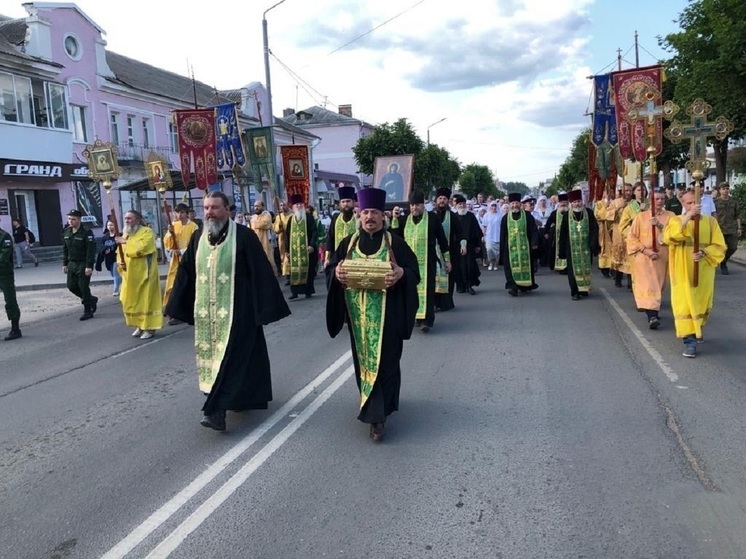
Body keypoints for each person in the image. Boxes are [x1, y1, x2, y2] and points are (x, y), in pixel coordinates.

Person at [166, 191, 291, 431]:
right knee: (215, 360)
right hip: (207, 314)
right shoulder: (198, 237)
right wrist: (176, 304)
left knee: (229, 360)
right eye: (206, 208)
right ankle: (236, 399)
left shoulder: (243, 236)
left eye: (214, 207)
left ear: (227, 210)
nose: (209, 212)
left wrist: (263, 308)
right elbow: (187, 273)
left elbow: (260, 272)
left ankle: (215, 411)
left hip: (238, 312)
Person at [325, 187, 419, 441]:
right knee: (363, 363)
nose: (370, 217)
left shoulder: (395, 243)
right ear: (359, 213)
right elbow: (332, 267)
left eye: (375, 212)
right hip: (358, 320)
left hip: (388, 317)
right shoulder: (348, 243)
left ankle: (382, 413)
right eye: (365, 212)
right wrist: (336, 273)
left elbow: (413, 271)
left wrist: (401, 274)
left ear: (383, 215)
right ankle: (372, 411)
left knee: (387, 363)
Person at [662, 190, 726, 358]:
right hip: (682, 270)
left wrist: (704, 252)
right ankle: (689, 341)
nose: (693, 206)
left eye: (695, 203)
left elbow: (720, 246)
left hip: (703, 270)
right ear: (683, 204)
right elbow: (669, 238)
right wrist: (687, 218)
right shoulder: (676, 221)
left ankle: (698, 328)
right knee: (684, 305)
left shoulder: (711, 222)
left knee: (702, 304)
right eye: (688, 203)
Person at [391, 190, 450, 332]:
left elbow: (442, 239)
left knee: (428, 291)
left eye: (417, 205)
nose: (414, 208)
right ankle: (415, 317)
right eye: (411, 205)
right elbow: (395, 238)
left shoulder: (432, 219)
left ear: (423, 205)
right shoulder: (405, 219)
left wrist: (447, 260)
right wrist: (394, 219)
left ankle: (427, 321)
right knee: (410, 291)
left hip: (427, 261)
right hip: (408, 264)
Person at [627, 189, 674, 329]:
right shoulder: (641, 217)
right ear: (650, 200)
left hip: (662, 257)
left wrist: (659, 225)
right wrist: (645, 250)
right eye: (657, 199)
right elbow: (632, 236)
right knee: (648, 286)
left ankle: (653, 310)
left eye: (662, 199)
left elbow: (675, 234)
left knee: (658, 286)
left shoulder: (671, 216)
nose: (660, 201)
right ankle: (652, 316)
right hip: (644, 257)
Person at [115, 209, 163, 339]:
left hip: (144, 274)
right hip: (129, 275)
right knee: (128, 299)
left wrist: (125, 242)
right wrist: (120, 262)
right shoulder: (126, 233)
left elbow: (143, 248)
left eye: (130, 218)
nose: (127, 221)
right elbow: (120, 251)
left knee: (145, 301)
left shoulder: (147, 232)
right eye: (125, 218)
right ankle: (139, 325)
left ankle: (149, 327)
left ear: (138, 220)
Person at [558, 189, 600, 300]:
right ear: (571, 203)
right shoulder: (567, 215)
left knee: (586, 268)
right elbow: (563, 233)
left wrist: (593, 243)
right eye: (575, 202)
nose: (577, 203)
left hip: (586, 247)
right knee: (572, 271)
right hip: (571, 248)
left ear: (582, 201)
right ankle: (575, 291)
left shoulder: (588, 213)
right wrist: (562, 251)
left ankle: (584, 288)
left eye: (579, 201)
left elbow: (594, 228)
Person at [163, 203, 198, 322]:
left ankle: (183, 311)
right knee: (172, 285)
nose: (179, 215)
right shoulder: (174, 225)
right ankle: (172, 311)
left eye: (182, 212)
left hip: (188, 260)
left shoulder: (193, 226)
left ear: (187, 213)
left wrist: (182, 251)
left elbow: (195, 244)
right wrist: (169, 233)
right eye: (177, 212)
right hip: (175, 261)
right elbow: (167, 244)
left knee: (185, 285)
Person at [499, 192, 539, 296]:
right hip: (510, 248)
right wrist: (502, 250)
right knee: (510, 268)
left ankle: (524, 286)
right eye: (512, 203)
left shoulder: (527, 216)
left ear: (520, 204)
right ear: (510, 204)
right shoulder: (505, 218)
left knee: (525, 266)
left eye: (516, 203)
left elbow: (534, 230)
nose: (514, 205)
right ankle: (513, 287)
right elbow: (503, 235)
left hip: (525, 247)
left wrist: (534, 242)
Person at [62, 209, 98, 321]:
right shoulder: (67, 232)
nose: (70, 221)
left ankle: (88, 310)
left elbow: (90, 250)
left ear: (79, 220)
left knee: (83, 287)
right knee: (71, 286)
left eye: (73, 219)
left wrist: (89, 265)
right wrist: (65, 264)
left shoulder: (86, 232)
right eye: (69, 219)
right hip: (72, 263)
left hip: (83, 263)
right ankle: (91, 299)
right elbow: (65, 249)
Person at [284, 194, 318, 299]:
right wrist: (287, 250)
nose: (298, 206)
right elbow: (287, 236)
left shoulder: (309, 217)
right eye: (296, 204)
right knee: (294, 270)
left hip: (308, 250)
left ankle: (308, 291)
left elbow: (314, 232)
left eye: (300, 204)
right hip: (294, 252)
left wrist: (312, 245)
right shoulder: (290, 220)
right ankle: (295, 292)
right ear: (293, 207)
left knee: (309, 271)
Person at [432, 187, 460, 312]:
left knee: (449, 275)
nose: (442, 201)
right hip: (433, 251)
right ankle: (434, 302)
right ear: (436, 200)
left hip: (450, 251)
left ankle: (446, 302)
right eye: (440, 198)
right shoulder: (430, 216)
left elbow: (460, 232)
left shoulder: (452, 216)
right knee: (434, 277)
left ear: (448, 201)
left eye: (444, 199)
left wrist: (463, 244)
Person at [452, 194, 482, 294]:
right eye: (460, 204)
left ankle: (469, 285)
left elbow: (477, 232)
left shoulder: (471, 216)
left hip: (470, 245)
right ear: (456, 205)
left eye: (464, 204)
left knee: (469, 266)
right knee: (458, 266)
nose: (462, 206)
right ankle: (461, 286)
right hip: (457, 246)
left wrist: (478, 245)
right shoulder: (454, 217)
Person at [324, 186, 358, 267]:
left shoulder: (358, 217)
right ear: (340, 203)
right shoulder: (336, 217)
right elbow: (330, 237)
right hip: (337, 258)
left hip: (355, 259)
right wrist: (328, 258)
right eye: (343, 202)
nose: (346, 204)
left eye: (348, 201)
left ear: (353, 202)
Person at [714, 182, 741, 275]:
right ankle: (723, 264)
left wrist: (739, 228)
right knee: (721, 248)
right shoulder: (715, 202)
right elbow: (713, 216)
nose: (725, 190)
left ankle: (724, 260)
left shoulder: (734, 202)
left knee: (733, 247)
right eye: (723, 188)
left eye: (727, 188)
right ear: (719, 190)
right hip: (720, 229)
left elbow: (737, 216)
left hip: (731, 228)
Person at [0, 220, 21, 340]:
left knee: (10, 300)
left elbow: (3, 257)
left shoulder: (5, 236)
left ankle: (15, 329)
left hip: (4, 274)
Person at [610, 183, 633, 289]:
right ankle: (618, 279)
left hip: (630, 233)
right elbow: (607, 216)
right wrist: (619, 207)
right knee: (619, 256)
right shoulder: (615, 202)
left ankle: (630, 282)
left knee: (630, 257)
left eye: (629, 190)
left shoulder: (634, 203)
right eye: (626, 190)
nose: (628, 193)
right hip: (618, 233)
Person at [249, 200, 278, 275]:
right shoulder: (252, 217)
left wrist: (253, 222)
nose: (256, 208)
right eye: (255, 206)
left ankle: (272, 275)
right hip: (255, 242)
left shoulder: (266, 215)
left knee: (268, 259)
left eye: (258, 206)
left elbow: (265, 224)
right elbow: (249, 229)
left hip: (265, 241)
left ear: (262, 207)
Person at [95, 219, 123, 296]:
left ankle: (116, 290)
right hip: (108, 258)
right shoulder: (105, 237)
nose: (110, 227)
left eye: (111, 225)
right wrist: (104, 251)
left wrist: (113, 248)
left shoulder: (119, 235)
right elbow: (101, 247)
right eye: (108, 225)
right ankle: (123, 282)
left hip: (117, 258)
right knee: (113, 274)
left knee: (115, 273)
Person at [543, 192, 569, 273]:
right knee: (556, 250)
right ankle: (558, 266)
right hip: (557, 236)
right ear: (559, 203)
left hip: (568, 236)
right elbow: (548, 223)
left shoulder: (571, 212)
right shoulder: (555, 213)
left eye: (565, 202)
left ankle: (566, 267)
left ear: (568, 203)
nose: (563, 204)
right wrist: (546, 232)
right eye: (562, 202)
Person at [593, 187, 615, 277]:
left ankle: (614, 269)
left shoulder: (615, 202)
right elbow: (598, 215)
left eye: (610, 191)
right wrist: (606, 206)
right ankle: (604, 268)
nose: (609, 193)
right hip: (603, 230)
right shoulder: (598, 203)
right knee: (604, 248)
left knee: (614, 248)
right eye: (606, 191)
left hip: (613, 228)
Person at [274, 200, 293, 285]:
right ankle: (288, 277)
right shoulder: (278, 217)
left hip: (290, 238)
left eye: (284, 205)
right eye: (281, 205)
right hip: (282, 239)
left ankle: (292, 275)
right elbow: (276, 230)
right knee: (283, 257)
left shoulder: (292, 215)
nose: (282, 207)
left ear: (288, 205)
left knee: (290, 257)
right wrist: (280, 225)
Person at [482, 200, 501, 271]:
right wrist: (483, 236)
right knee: (489, 250)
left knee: (497, 252)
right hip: (489, 236)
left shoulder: (500, 215)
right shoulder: (486, 215)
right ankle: (490, 263)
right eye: (492, 206)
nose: (493, 207)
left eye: (495, 206)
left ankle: (495, 264)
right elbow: (484, 226)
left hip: (497, 235)